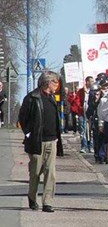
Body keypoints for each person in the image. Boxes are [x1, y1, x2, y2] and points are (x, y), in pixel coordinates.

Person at [19, 71, 62, 213]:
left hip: (52, 140)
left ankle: (47, 202)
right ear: (48, 82)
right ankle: (32, 197)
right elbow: (23, 119)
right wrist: (29, 135)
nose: (57, 85)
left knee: (51, 172)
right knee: (35, 172)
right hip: (37, 141)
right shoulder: (32, 98)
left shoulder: (52, 98)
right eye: (55, 82)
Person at [76, 76, 95, 154]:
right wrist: (80, 108)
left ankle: (91, 146)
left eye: (93, 81)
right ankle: (84, 146)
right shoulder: (81, 91)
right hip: (82, 113)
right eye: (91, 81)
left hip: (90, 114)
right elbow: (77, 100)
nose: (92, 83)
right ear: (87, 82)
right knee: (83, 130)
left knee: (91, 131)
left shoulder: (93, 91)